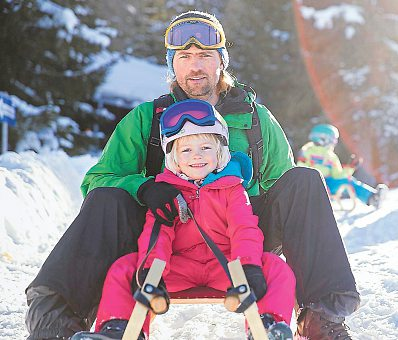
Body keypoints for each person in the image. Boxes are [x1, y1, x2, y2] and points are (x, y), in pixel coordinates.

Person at [25, 10, 359, 340]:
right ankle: (57, 321)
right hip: (166, 232)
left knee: (304, 180)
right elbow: (98, 180)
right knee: (105, 198)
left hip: (241, 230)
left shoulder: (256, 119)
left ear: (221, 61)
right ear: (172, 63)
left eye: (205, 55)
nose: (195, 65)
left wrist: (236, 208)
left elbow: (284, 189)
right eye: (184, 56)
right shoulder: (148, 118)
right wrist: (143, 188)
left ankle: (322, 316)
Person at [70, 99, 295, 340]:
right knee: (124, 269)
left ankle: (269, 324)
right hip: (178, 267)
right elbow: (158, 234)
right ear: (174, 158)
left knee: (275, 267)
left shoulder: (232, 188)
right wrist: (149, 270)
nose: (196, 157)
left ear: (220, 152)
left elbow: (244, 228)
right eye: (186, 150)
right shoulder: (166, 191)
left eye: (206, 148)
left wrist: (248, 266)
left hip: (227, 266)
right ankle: (117, 327)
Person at [297, 124, 386, 208]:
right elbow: (300, 171)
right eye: (333, 139)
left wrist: (351, 167)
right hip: (311, 184)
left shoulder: (331, 156)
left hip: (329, 183)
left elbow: (338, 175)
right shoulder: (307, 152)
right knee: (312, 183)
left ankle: (372, 198)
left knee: (349, 181)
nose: (334, 143)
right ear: (323, 139)